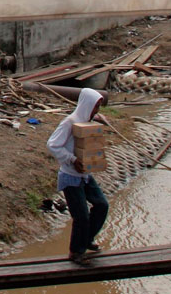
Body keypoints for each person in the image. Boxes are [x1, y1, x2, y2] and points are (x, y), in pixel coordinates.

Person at [47, 88, 110, 264]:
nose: (97, 111)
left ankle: (87, 238)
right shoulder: (69, 122)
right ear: (87, 105)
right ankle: (76, 252)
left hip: (85, 176)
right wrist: (72, 159)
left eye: (98, 107)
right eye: (95, 107)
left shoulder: (87, 121)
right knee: (81, 216)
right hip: (70, 177)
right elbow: (52, 145)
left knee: (101, 205)